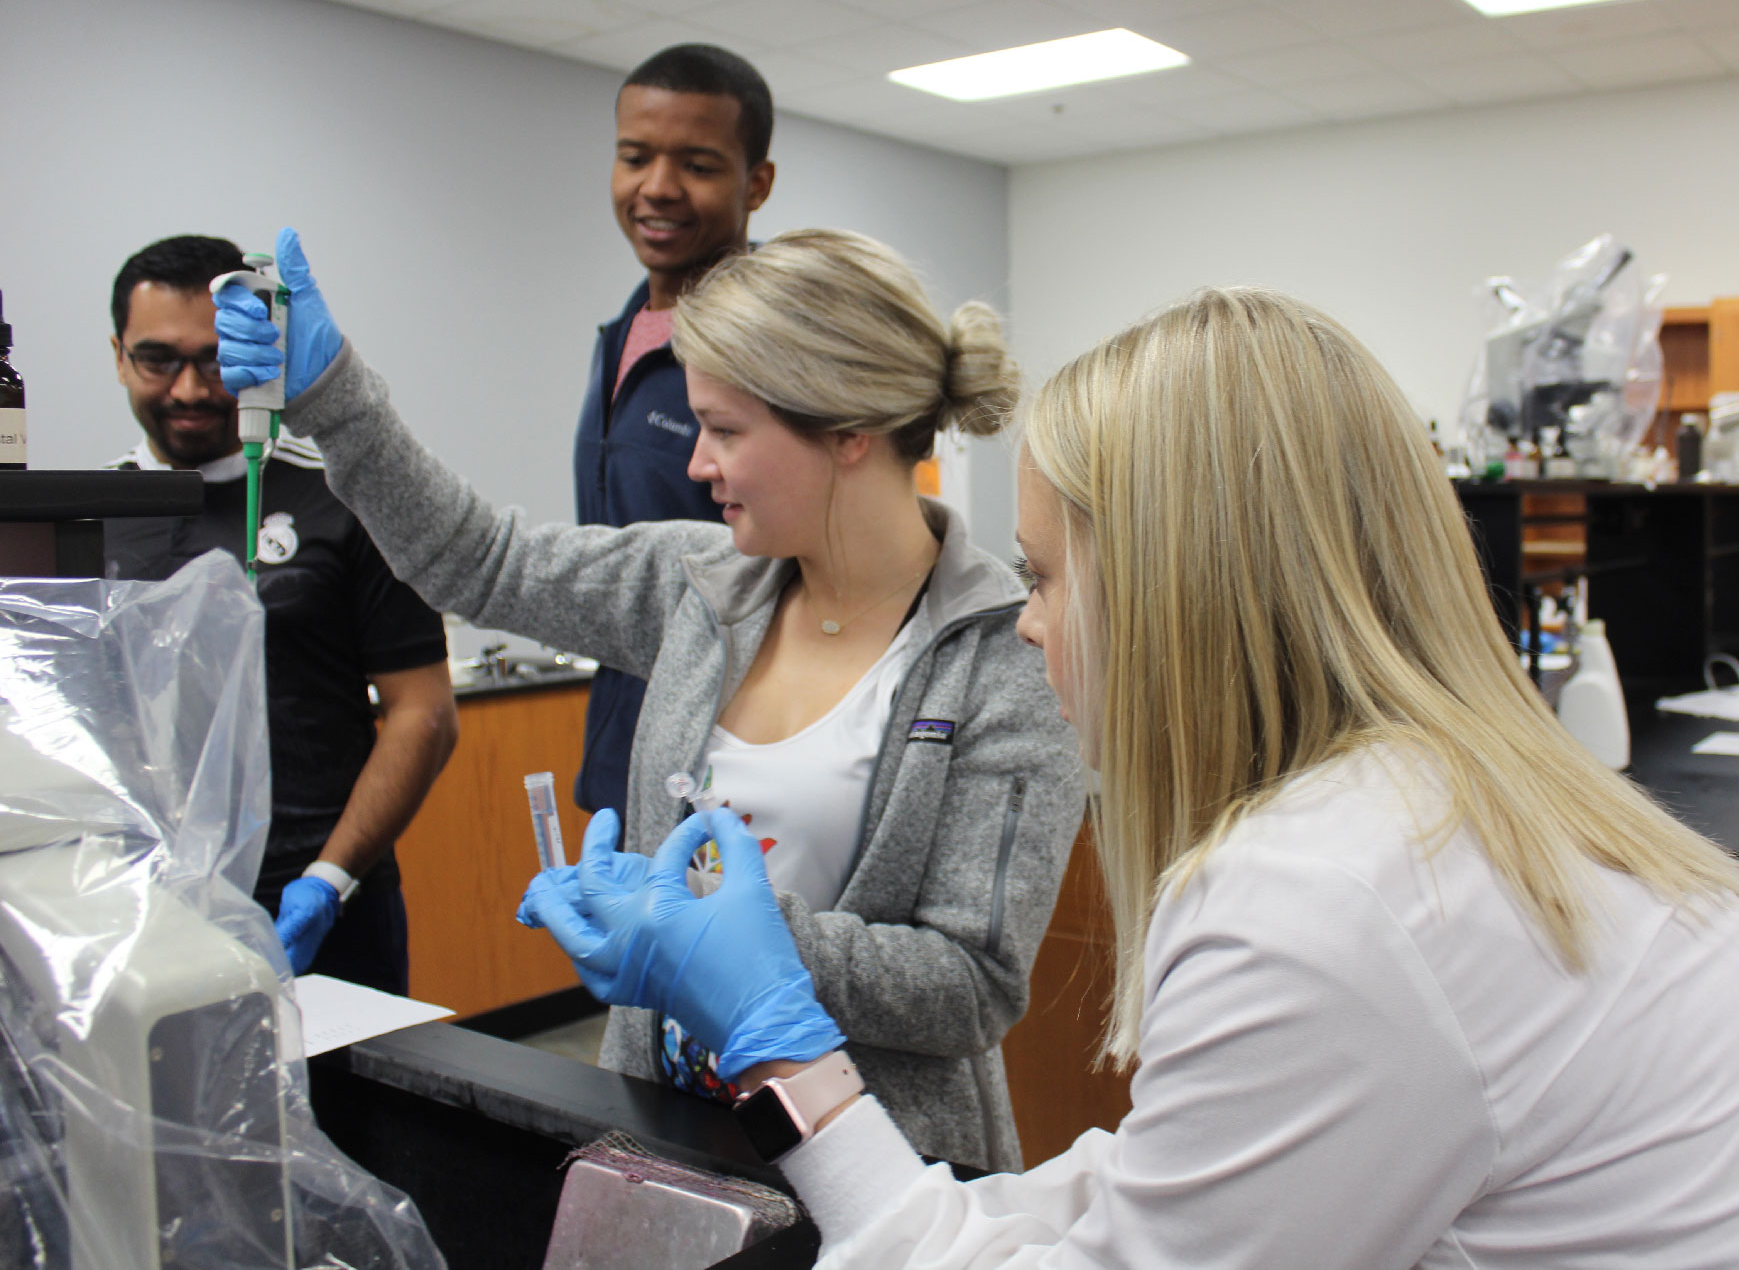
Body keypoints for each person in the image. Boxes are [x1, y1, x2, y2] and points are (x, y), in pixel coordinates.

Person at [516, 287, 1739, 1266]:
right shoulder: (1451, 794)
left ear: (1177, 588)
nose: (1024, 625)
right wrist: (992, 1202)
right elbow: (1186, 1184)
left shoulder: (1322, 895)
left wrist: (788, 1048)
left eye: (1042, 577)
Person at [212, 226, 1085, 1172]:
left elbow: (968, 984)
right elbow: (476, 557)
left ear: (846, 431)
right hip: (666, 1139)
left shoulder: (1004, 653)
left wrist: (716, 943)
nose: (699, 463)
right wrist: (334, 398)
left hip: (883, 1170)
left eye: (726, 428)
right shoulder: (697, 582)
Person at [103, 234, 457, 995]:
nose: (192, 390)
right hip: (150, 908)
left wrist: (330, 879)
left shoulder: (339, 501)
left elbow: (423, 712)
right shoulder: (83, 519)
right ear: (118, 354)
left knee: (349, 1113)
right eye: (159, 359)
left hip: (327, 902)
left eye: (215, 360)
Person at [575, 43, 776, 820]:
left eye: (696, 163)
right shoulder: (623, 335)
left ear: (755, 183)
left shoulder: (775, 353)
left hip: (726, 784)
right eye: (635, 157)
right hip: (618, 760)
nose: (656, 188)